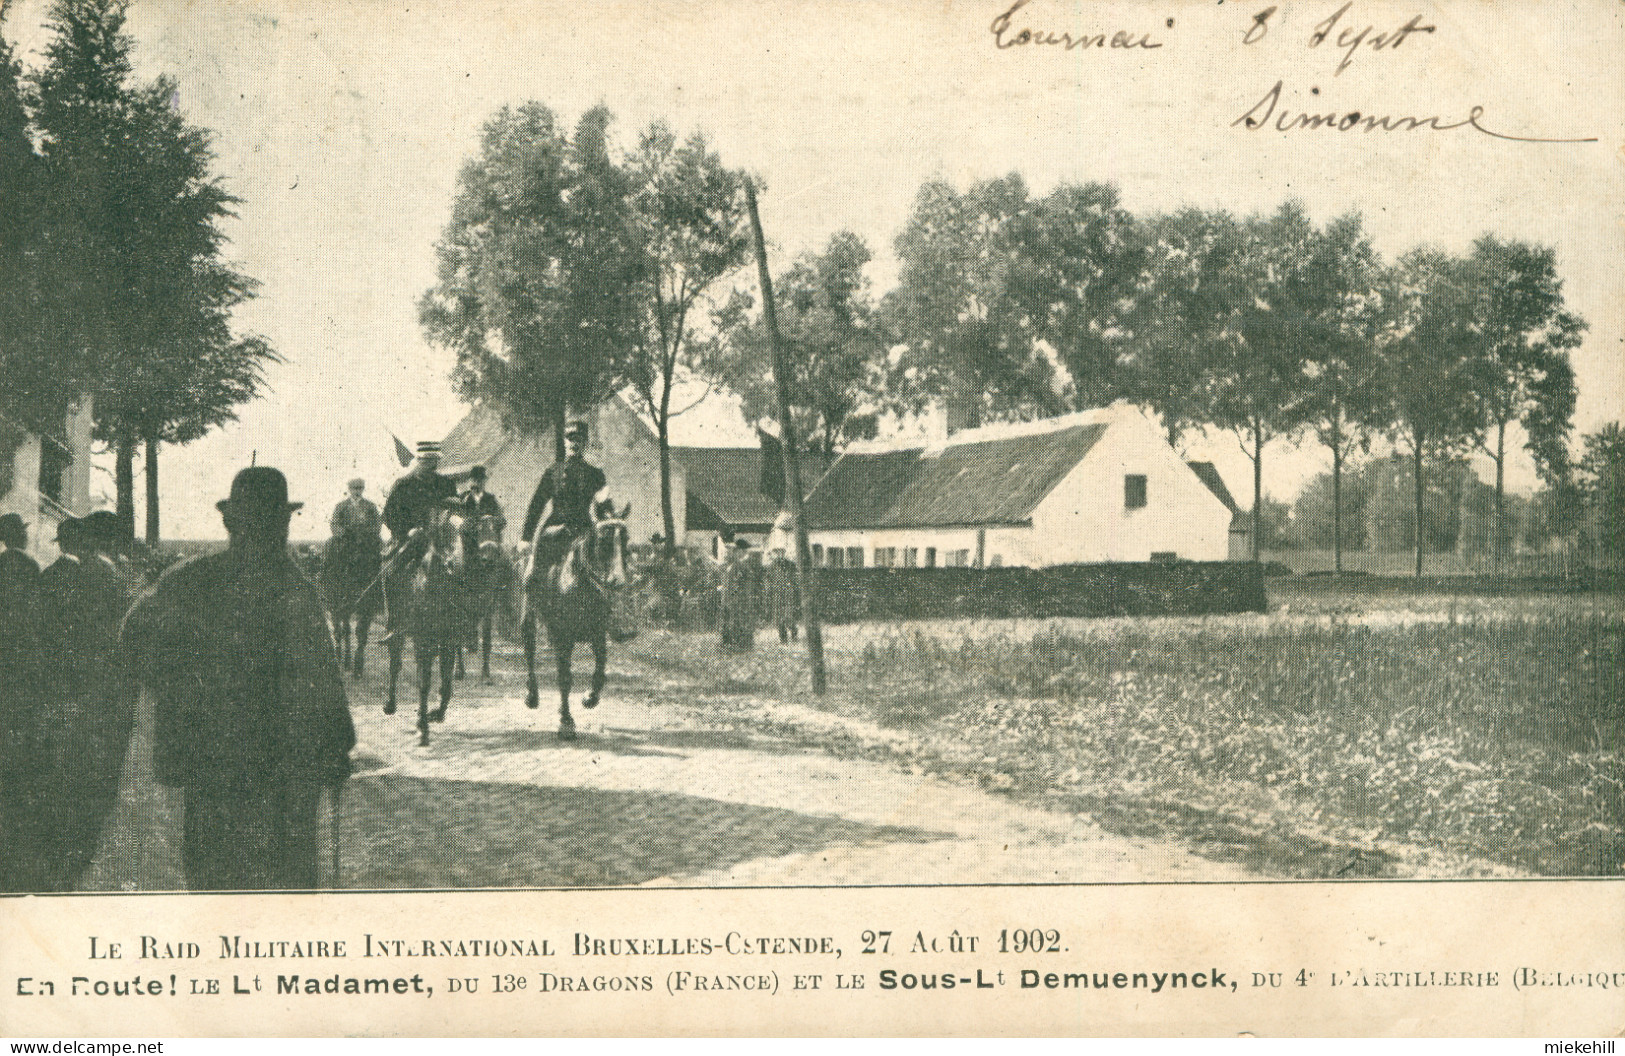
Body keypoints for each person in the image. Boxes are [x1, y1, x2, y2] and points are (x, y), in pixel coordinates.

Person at [122, 467, 355, 890]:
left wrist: (177, 695)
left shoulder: (189, 580)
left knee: (220, 879)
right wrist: (337, 744)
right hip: (276, 768)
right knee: (281, 883)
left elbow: (134, 641)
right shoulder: (292, 587)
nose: (274, 529)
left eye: (276, 520)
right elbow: (321, 678)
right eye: (268, 520)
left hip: (222, 763)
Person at [34, 512, 134, 890]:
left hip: (78, 680)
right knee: (91, 772)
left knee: (76, 764)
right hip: (98, 684)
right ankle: (72, 854)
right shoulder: (105, 576)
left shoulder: (83, 573)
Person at [0, 512, 43, 892]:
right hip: (24, 657)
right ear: (18, 536)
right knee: (20, 719)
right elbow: (39, 618)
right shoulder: (30, 566)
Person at [378, 443, 457, 641]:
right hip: (411, 540)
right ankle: (394, 624)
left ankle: (463, 622)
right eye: (427, 461)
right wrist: (407, 530)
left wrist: (451, 520)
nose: (432, 465)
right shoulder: (403, 484)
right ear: (418, 460)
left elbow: (457, 510)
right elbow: (388, 515)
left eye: (435, 461)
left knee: (462, 570)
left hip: (441, 539)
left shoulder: (446, 484)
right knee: (392, 573)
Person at [520, 420, 610, 581]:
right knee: (533, 578)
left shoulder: (596, 475)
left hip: (584, 530)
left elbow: (604, 507)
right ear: (564, 441)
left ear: (585, 443)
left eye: (579, 439)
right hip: (555, 530)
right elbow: (537, 504)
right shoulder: (553, 472)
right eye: (570, 438)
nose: (575, 443)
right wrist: (526, 538)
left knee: (604, 574)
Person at [718, 537, 763, 653]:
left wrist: (733, 595)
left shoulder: (741, 566)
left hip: (739, 599)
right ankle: (731, 644)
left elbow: (742, 584)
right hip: (734, 599)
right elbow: (732, 582)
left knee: (740, 622)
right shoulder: (734, 565)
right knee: (733, 621)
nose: (743, 553)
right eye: (742, 551)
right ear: (738, 551)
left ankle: (740, 645)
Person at [330, 478, 382, 545]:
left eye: (360, 488)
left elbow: (377, 523)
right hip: (346, 540)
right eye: (354, 488)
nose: (357, 491)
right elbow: (334, 523)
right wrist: (343, 533)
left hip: (367, 540)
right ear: (349, 489)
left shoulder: (370, 506)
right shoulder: (341, 506)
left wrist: (369, 533)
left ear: (363, 489)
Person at [765, 547, 801, 644]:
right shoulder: (772, 566)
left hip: (788, 594)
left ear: (784, 553)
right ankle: (783, 639)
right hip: (777, 595)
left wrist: (794, 588)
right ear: (775, 554)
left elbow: (796, 578)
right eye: (777, 553)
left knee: (789, 617)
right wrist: (769, 592)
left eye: (781, 553)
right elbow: (768, 580)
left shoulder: (791, 565)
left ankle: (794, 633)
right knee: (778, 619)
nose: (779, 555)